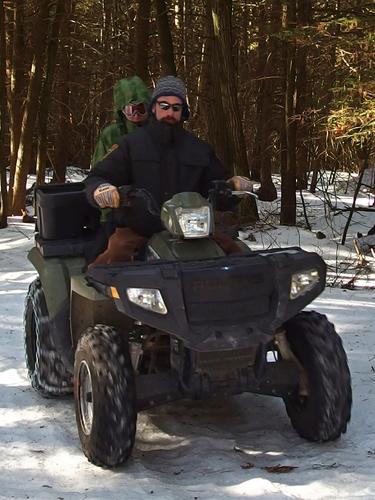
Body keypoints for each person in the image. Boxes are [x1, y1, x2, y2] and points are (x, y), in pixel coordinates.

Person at [84, 75, 254, 265]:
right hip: (140, 228)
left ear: (183, 112)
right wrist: (101, 189)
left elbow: (219, 187)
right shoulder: (131, 145)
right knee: (108, 262)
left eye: (176, 107)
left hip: (194, 231)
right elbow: (97, 177)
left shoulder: (199, 149)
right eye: (164, 106)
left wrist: (234, 187)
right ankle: (93, 292)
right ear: (154, 108)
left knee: (237, 255)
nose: (169, 112)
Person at [91, 75, 150, 167]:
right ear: (121, 111)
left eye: (141, 109)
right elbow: (96, 170)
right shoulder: (111, 134)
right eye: (130, 110)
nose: (136, 114)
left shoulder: (157, 132)